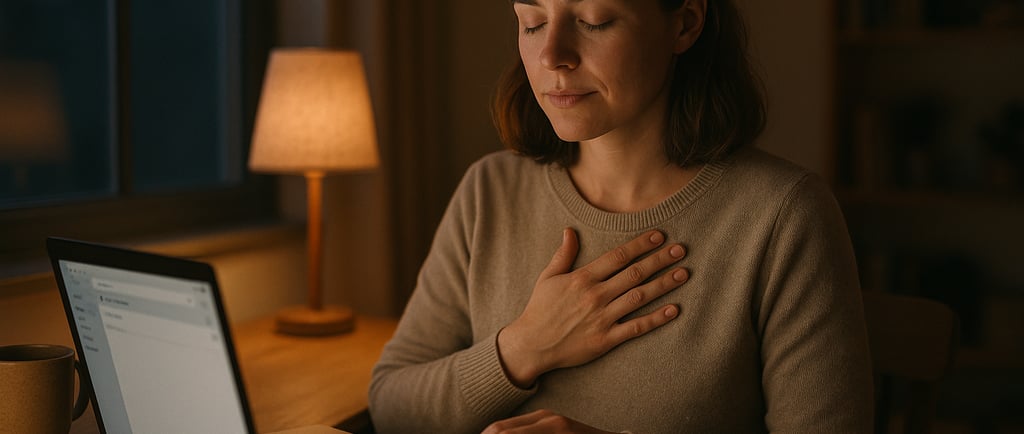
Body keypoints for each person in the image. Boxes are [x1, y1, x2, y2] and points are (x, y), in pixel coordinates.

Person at [369, 0, 873, 432]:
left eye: (594, 21)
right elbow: (391, 406)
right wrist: (524, 348)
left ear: (685, 24)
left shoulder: (784, 214)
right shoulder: (489, 191)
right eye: (532, 22)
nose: (552, 56)